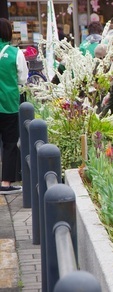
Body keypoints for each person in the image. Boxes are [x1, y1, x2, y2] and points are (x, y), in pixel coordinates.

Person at [0, 18, 28, 195]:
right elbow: (22, 79)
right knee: (9, 144)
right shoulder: (15, 53)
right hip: (8, 103)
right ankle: (5, 183)